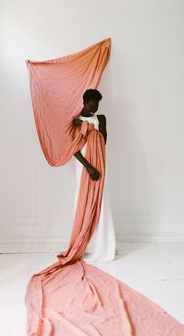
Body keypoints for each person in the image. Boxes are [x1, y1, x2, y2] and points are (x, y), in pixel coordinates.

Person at [73, 89, 116, 262]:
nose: (94, 108)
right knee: (83, 200)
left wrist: (88, 128)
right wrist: (89, 168)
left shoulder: (101, 119)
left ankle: (103, 244)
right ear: (84, 103)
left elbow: (103, 141)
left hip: (99, 162)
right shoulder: (75, 121)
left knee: (101, 200)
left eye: (97, 105)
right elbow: (74, 150)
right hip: (84, 166)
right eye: (91, 105)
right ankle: (86, 244)